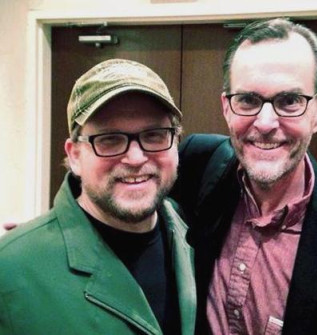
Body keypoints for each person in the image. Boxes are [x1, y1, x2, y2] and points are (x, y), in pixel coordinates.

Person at [171, 18, 317, 335]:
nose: (264, 122)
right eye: (247, 100)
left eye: (289, 101)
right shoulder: (199, 165)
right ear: (226, 107)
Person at [0, 59, 196, 335]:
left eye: (154, 135)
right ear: (75, 155)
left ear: (176, 143)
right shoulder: (11, 269)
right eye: (109, 139)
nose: (136, 158)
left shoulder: (201, 241)